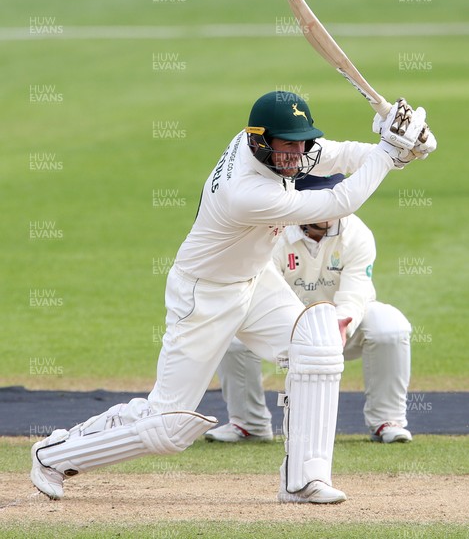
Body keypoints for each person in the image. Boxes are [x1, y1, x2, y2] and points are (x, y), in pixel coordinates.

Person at [30, 91, 435, 505]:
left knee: (317, 344)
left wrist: (399, 151)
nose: (298, 153)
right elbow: (339, 200)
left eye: (303, 141)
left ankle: (304, 479)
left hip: (254, 280)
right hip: (205, 293)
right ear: (260, 141)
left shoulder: (269, 148)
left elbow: (337, 155)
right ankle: (55, 454)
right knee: (168, 426)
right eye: (288, 144)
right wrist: (389, 154)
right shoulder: (246, 192)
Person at [205, 174, 412, 445]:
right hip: (285, 327)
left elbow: (355, 293)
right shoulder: (272, 234)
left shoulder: (358, 234)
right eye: (319, 201)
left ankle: (387, 420)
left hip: (341, 329)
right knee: (232, 333)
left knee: (389, 326)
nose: (328, 209)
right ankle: (249, 424)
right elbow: (268, 293)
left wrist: (339, 326)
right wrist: (303, 332)